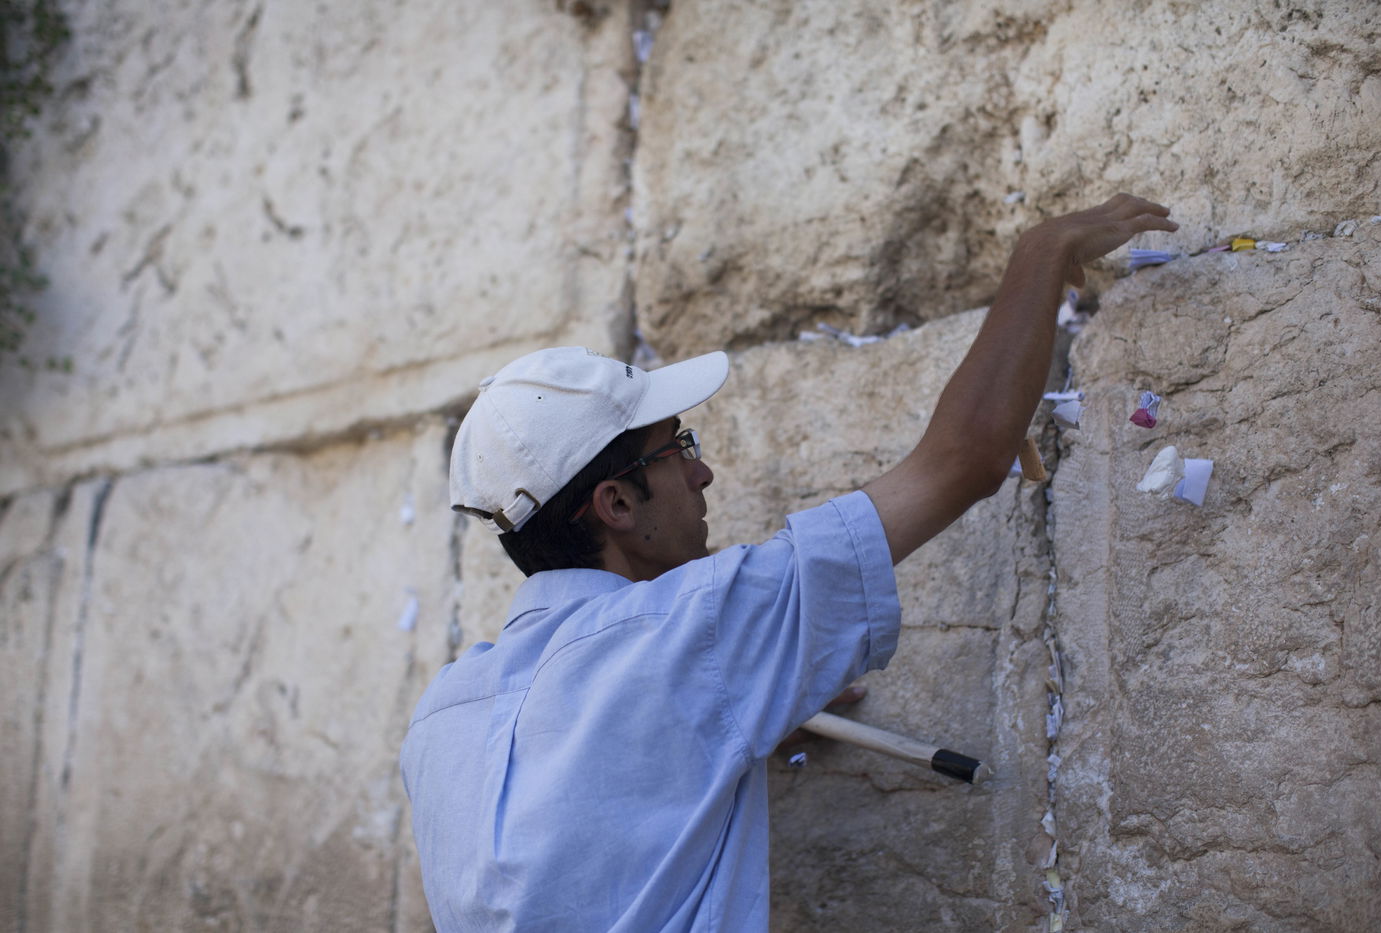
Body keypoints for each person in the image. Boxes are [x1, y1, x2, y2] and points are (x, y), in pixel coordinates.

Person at [400, 194, 1178, 931]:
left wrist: (746, 709)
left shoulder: (441, 716)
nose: (701, 474)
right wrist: (1043, 252)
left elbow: (579, 825)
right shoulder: (694, 630)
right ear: (616, 505)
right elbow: (964, 460)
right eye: (678, 451)